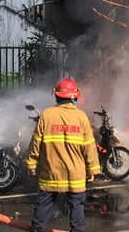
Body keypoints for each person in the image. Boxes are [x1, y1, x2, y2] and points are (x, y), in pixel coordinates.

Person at [25, 78, 101, 232]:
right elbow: (89, 147)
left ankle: (37, 229)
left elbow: (35, 143)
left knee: (43, 207)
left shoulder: (47, 115)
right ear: (75, 97)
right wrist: (92, 170)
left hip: (51, 172)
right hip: (76, 174)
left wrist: (31, 164)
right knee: (76, 210)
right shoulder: (81, 117)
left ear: (56, 96)